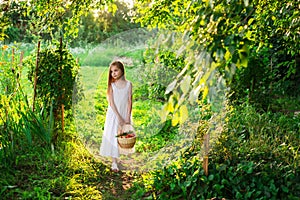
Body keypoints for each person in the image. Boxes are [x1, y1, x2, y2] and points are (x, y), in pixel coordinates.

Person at [100, 60, 133, 172]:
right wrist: (119, 117)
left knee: (122, 136)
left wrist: (127, 117)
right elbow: (111, 103)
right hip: (114, 114)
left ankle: (119, 156)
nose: (113, 73)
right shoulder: (112, 85)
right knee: (114, 135)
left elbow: (129, 101)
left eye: (116, 70)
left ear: (122, 70)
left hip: (125, 113)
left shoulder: (128, 84)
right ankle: (114, 162)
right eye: (111, 71)